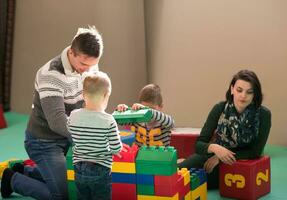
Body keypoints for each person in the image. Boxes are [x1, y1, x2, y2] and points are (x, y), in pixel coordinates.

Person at [1, 26, 104, 199]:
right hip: (44, 142)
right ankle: (12, 179)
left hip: (69, 137)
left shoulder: (88, 67)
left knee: (82, 179)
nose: (88, 70)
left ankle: (26, 171)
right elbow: (57, 121)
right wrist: (87, 137)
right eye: (84, 64)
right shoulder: (50, 74)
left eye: (92, 65)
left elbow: (93, 100)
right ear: (71, 53)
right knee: (64, 195)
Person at [178, 69, 272, 189]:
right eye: (239, 90)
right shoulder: (219, 108)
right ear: (232, 89)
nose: (243, 96)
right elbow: (199, 144)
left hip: (240, 160)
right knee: (176, 175)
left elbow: (256, 152)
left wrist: (221, 158)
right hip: (212, 154)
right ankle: (182, 162)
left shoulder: (264, 114)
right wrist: (215, 148)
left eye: (249, 92)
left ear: (255, 95)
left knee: (195, 183)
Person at [68, 71, 122, 200]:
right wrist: (116, 149)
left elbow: (70, 136)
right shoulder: (108, 120)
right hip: (101, 168)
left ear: (83, 95)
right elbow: (116, 148)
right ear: (106, 96)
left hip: (78, 167)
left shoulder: (73, 115)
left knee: (83, 196)